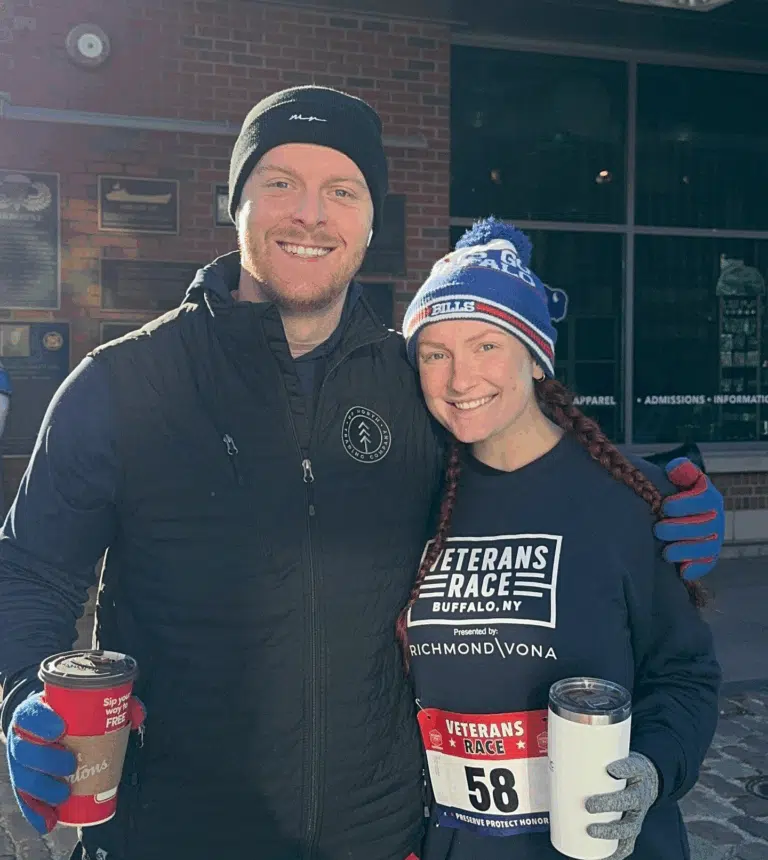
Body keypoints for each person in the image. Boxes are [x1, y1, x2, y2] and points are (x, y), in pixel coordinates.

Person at [0, 87, 723, 860]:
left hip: (373, 838)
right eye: (279, 183)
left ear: (370, 222)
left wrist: (662, 485)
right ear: (235, 202)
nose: (310, 214)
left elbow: (524, 452)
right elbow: (33, 571)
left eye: (341, 191)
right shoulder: (120, 383)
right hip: (171, 832)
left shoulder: (410, 384)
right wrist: (19, 697)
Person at [399, 218, 721, 860]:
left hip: (597, 845)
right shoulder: (416, 501)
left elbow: (686, 676)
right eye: (436, 353)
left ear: (535, 355)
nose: (461, 379)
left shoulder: (632, 500)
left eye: (487, 345)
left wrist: (653, 769)